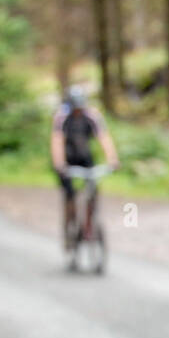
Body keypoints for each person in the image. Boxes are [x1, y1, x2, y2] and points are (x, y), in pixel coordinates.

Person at [51, 85, 119, 247]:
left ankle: (89, 227)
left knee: (92, 192)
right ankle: (70, 228)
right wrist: (59, 164)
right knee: (70, 196)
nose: (78, 112)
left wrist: (112, 159)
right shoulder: (62, 117)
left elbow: (103, 137)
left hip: (85, 158)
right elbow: (57, 141)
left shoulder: (92, 115)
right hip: (67, 161)